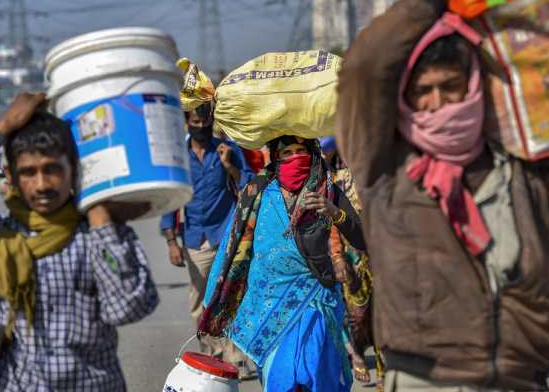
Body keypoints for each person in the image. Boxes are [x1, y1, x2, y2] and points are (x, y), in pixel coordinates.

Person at [336, 0, 549, 391]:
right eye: (423, 91)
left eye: (450, 87)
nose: (437, 104)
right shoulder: (386, 171)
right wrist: (437, 0)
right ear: (406, 98)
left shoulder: (532, 175)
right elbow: (364, 67)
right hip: (424, 381)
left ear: (473, 86)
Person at [0, 92, 159, 391]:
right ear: (11, 176)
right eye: (28, 173)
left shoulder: (99, 234)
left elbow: (126, 309)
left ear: (72, 168)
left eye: (52, 169)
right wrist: (2, 127)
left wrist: (102, 221)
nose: (42, 185)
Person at [200, 136, 366, 392]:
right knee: (282, 379)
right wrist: (213, 299)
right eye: (287, 152)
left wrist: (335, 213)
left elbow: (362, 238)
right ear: (276, 157)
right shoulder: (257, 191)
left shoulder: (328, 189)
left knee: (314, 373)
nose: (295, 157)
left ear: (312, 153)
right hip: (268, 305)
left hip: (315, 300)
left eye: (301, 151)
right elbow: (233, 246)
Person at [160, 102, 255, 375]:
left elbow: (247, 186)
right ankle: (213, 355)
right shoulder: (178, 155)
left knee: (229, 295)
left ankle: (235, 357)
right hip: (193, 239)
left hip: (225, 235)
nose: (200, 128)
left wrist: (230, 167)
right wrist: (170, 241)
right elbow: (170, 197)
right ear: (187, 123)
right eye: (195, 123)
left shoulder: (227, 150)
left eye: (205, 123)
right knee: (200, 301)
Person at [321, 136, 384, 391]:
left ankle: (383, 372)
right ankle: (357, 353)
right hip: (351, 257)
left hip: (380, 255)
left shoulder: (377, 174)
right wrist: (337, 256)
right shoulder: (335, 180)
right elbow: (334, 226)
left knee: (381, 316)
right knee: (357, 315)